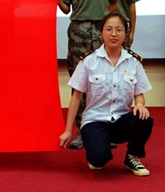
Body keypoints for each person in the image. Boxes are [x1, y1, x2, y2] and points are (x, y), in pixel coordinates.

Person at [59, 12, 154, 176]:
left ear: (125, 33)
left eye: (119, 29)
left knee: (144, 119)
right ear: (101, 33)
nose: (114, 34)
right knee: (99, 159)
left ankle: (132, 157)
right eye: (109, 29)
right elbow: (76, 96)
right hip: (95, 120)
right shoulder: (89, 61)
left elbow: (139, 93)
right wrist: (68, 130)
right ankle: (97, 145)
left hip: (120, 120)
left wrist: (140, 104)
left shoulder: (133, 62)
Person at [58, 0, 120, 149]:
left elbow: (114, 3)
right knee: (80, 81)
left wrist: (101, 19)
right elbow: (65, 8)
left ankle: (106, 131)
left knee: (105, 81)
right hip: (78, 30)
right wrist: (56, 0)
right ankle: (82, 132)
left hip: (102, 31)